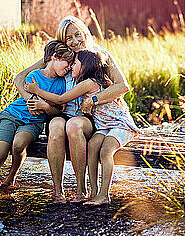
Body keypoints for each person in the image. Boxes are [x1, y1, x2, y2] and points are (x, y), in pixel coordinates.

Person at [14, 16, 130, 202]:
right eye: (69, 38)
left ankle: (80, 190)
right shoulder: (61, 57)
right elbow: (20, 77)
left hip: (87, 117)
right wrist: (31, 100)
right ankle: (57, 191)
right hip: (58, 111)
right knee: (57, 127)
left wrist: (93, 99)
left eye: (78, 35)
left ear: (85, 33)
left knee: (74, 126)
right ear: (62, 40)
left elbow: (122, 87)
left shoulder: (99, 56)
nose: (75, 41)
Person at [24, 50, 140, 205]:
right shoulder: (89, 82)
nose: (72, 67)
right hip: (104, 126)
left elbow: (60, 99)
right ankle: (93, 192)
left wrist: (37, 91)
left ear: (84, 66)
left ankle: (104, 194)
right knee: (92, 146)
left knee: (105, 151)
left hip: (120, 125)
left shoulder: (88, 83)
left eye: (75, 63)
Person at [0, 40, 74, 193]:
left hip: (33, 124)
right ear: (55, 57)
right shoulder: (34, 75)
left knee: (18, 144)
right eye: (67, 62)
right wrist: (48, 104)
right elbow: (33, 107)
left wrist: (45, 106)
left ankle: (11, 178)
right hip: (12, 116)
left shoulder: (62, 84)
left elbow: (57, 110)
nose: (69, 68)